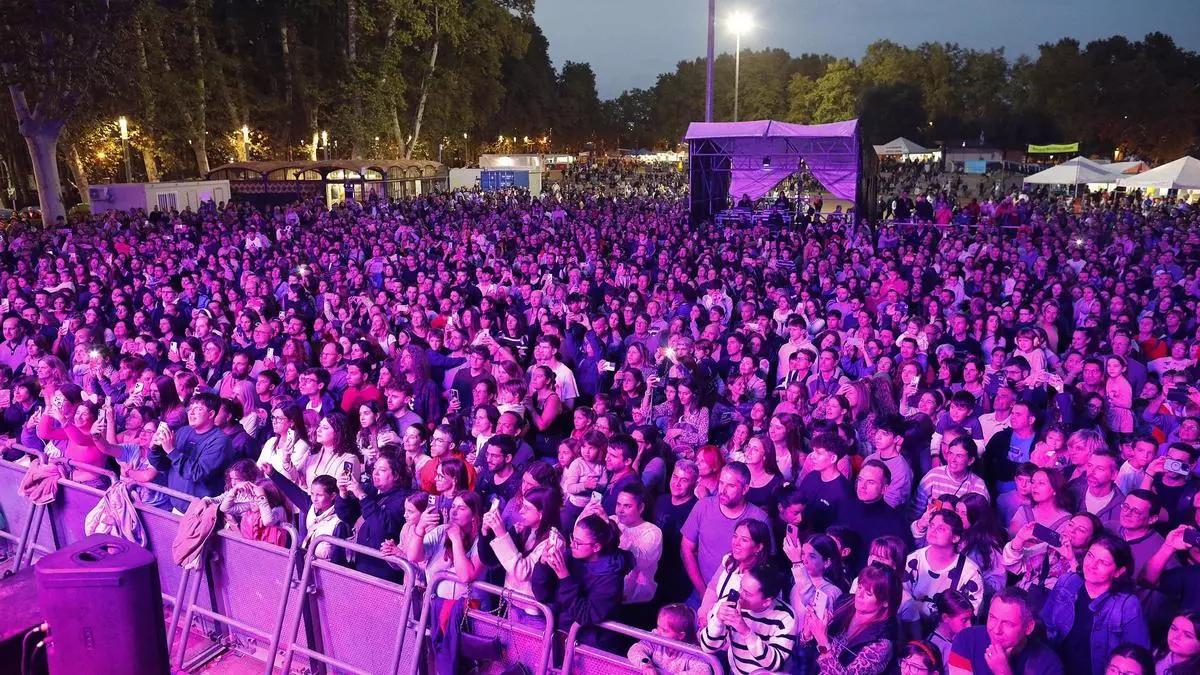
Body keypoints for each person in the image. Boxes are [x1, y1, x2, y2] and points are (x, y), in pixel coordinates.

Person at [1040, 534, 1150, 675]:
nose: (1092, 566)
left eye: (1103, 563)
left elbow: (1138, 657)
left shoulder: (1127, 605)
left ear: (1118, 572)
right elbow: (1045, 624)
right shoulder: (1067, 582)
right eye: (1090, 556)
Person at [531, 514, 634, 648]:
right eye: (572, 538)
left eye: (578, 542)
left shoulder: (611, 577)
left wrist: (564, 577)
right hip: (561, 635)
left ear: (596, 547)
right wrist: (543, 565)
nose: (572, 544)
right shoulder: (570, 556)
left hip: (590, 646)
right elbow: (542, 595)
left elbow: (585, 615)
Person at [680, 463, 770, 608]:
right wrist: (703, 592)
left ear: (745, 489)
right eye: (721, 483)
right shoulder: (703, 507)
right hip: (699, 594)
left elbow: (765, 564)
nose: (723, 490)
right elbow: (686, 549)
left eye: (731, 486)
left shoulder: (759, 519)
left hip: (738, 602)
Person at [480, 485, 562, 624]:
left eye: (527, 508)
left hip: (535, 614)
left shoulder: (554, 541)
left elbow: (523, 572)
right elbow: (490, 560)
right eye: (522, 506)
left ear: (542, 513)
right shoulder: (523, 529)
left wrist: (501, 534)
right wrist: (485, 533)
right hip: (513, 604)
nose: (521, 511)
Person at [801, 565, 901, 675]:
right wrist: (808, 632)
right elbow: (803, 652)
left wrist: (822, 640)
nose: (859, 595)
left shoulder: (882, 643)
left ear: (885, 602)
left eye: (868, 593)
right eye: (859, 587)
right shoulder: (844, 601)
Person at [699, 561, 796, 675]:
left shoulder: (785, 617)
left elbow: (774, 663)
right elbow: (707, 648)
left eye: (747, 593)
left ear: (766, 602)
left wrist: (746, 632)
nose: (740, 595)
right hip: (735, 671)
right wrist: (718, 621)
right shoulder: (728, 602)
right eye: (741, 587)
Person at [150, 392, 236, 512]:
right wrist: (155, 449)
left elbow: (198, 473)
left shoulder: (221, 442)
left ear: (211, 414)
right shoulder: (183, 431)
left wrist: (172, 451)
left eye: (198, 409)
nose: (191, 412)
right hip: (175, 503)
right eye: (190, 408)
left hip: (199, 512)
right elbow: (163, 465)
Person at [948, 588, 1063, 675]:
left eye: (1008, 624)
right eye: (992, 618)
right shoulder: (966, 640)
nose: (996, 630)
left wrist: (1003, 672)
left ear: (1028, 628)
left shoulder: (1049, 666)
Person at [335, 451, 410, 581]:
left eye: (382, 470)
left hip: (382, 571)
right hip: (360, 562)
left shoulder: (404, 499)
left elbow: (382, 527)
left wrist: (362, 496)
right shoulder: (371, 490)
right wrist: (343, 493)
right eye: (374, 468)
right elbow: (347, 515)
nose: (375, 473)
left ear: (396, 475)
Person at [905, 509, 985, 618]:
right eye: (932, 525)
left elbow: (969, 616)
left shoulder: (970, 573)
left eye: (941, 528)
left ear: (955, 538)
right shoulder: (912, 560)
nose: (933, 530)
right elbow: (900, 600)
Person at [697, 518, 771, 625]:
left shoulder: (761, 578)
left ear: (758, 547)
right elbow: (712, 589)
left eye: (744, 540)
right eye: (735, 536)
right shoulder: (729, 561)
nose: (736, 543)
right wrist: (703, 617)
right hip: (711, 626)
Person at [654, 460, 700, 605]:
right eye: (675, 477)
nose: (677, 483)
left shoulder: (697, 510)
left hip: (675, 581)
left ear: (694, 483)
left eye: (684, 480)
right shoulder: (661, 500)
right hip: (653, 574)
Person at [626, 603, 712, 675]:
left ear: (681, 635)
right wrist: (646, 665)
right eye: (658, 626)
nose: (658, 632)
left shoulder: (692, 652)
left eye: (664, 630)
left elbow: (704, 671)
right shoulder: (656, 637)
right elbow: (635, 649)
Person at [929, 590, 976, 669]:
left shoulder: (961, 638)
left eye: (970, 619)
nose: (969, 625)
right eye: (964, 620)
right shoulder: (933, 648)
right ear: (945, 618)